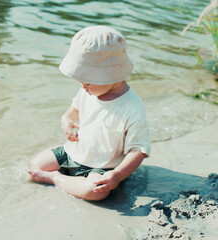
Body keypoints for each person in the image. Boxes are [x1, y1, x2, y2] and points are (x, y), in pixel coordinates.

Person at [27, 26, 151, 201]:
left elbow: (138, 151)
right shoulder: (88, 91)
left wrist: (117, 175)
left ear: (109, 75)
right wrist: (67, 121)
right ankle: (70, 180)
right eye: (81, 82)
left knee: (95, 192)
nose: (83, 87)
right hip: (73, 153)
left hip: (103, 167)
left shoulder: (131, 107)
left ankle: (56, 178)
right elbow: (71, 113)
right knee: (36, 164)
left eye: (88, 82)